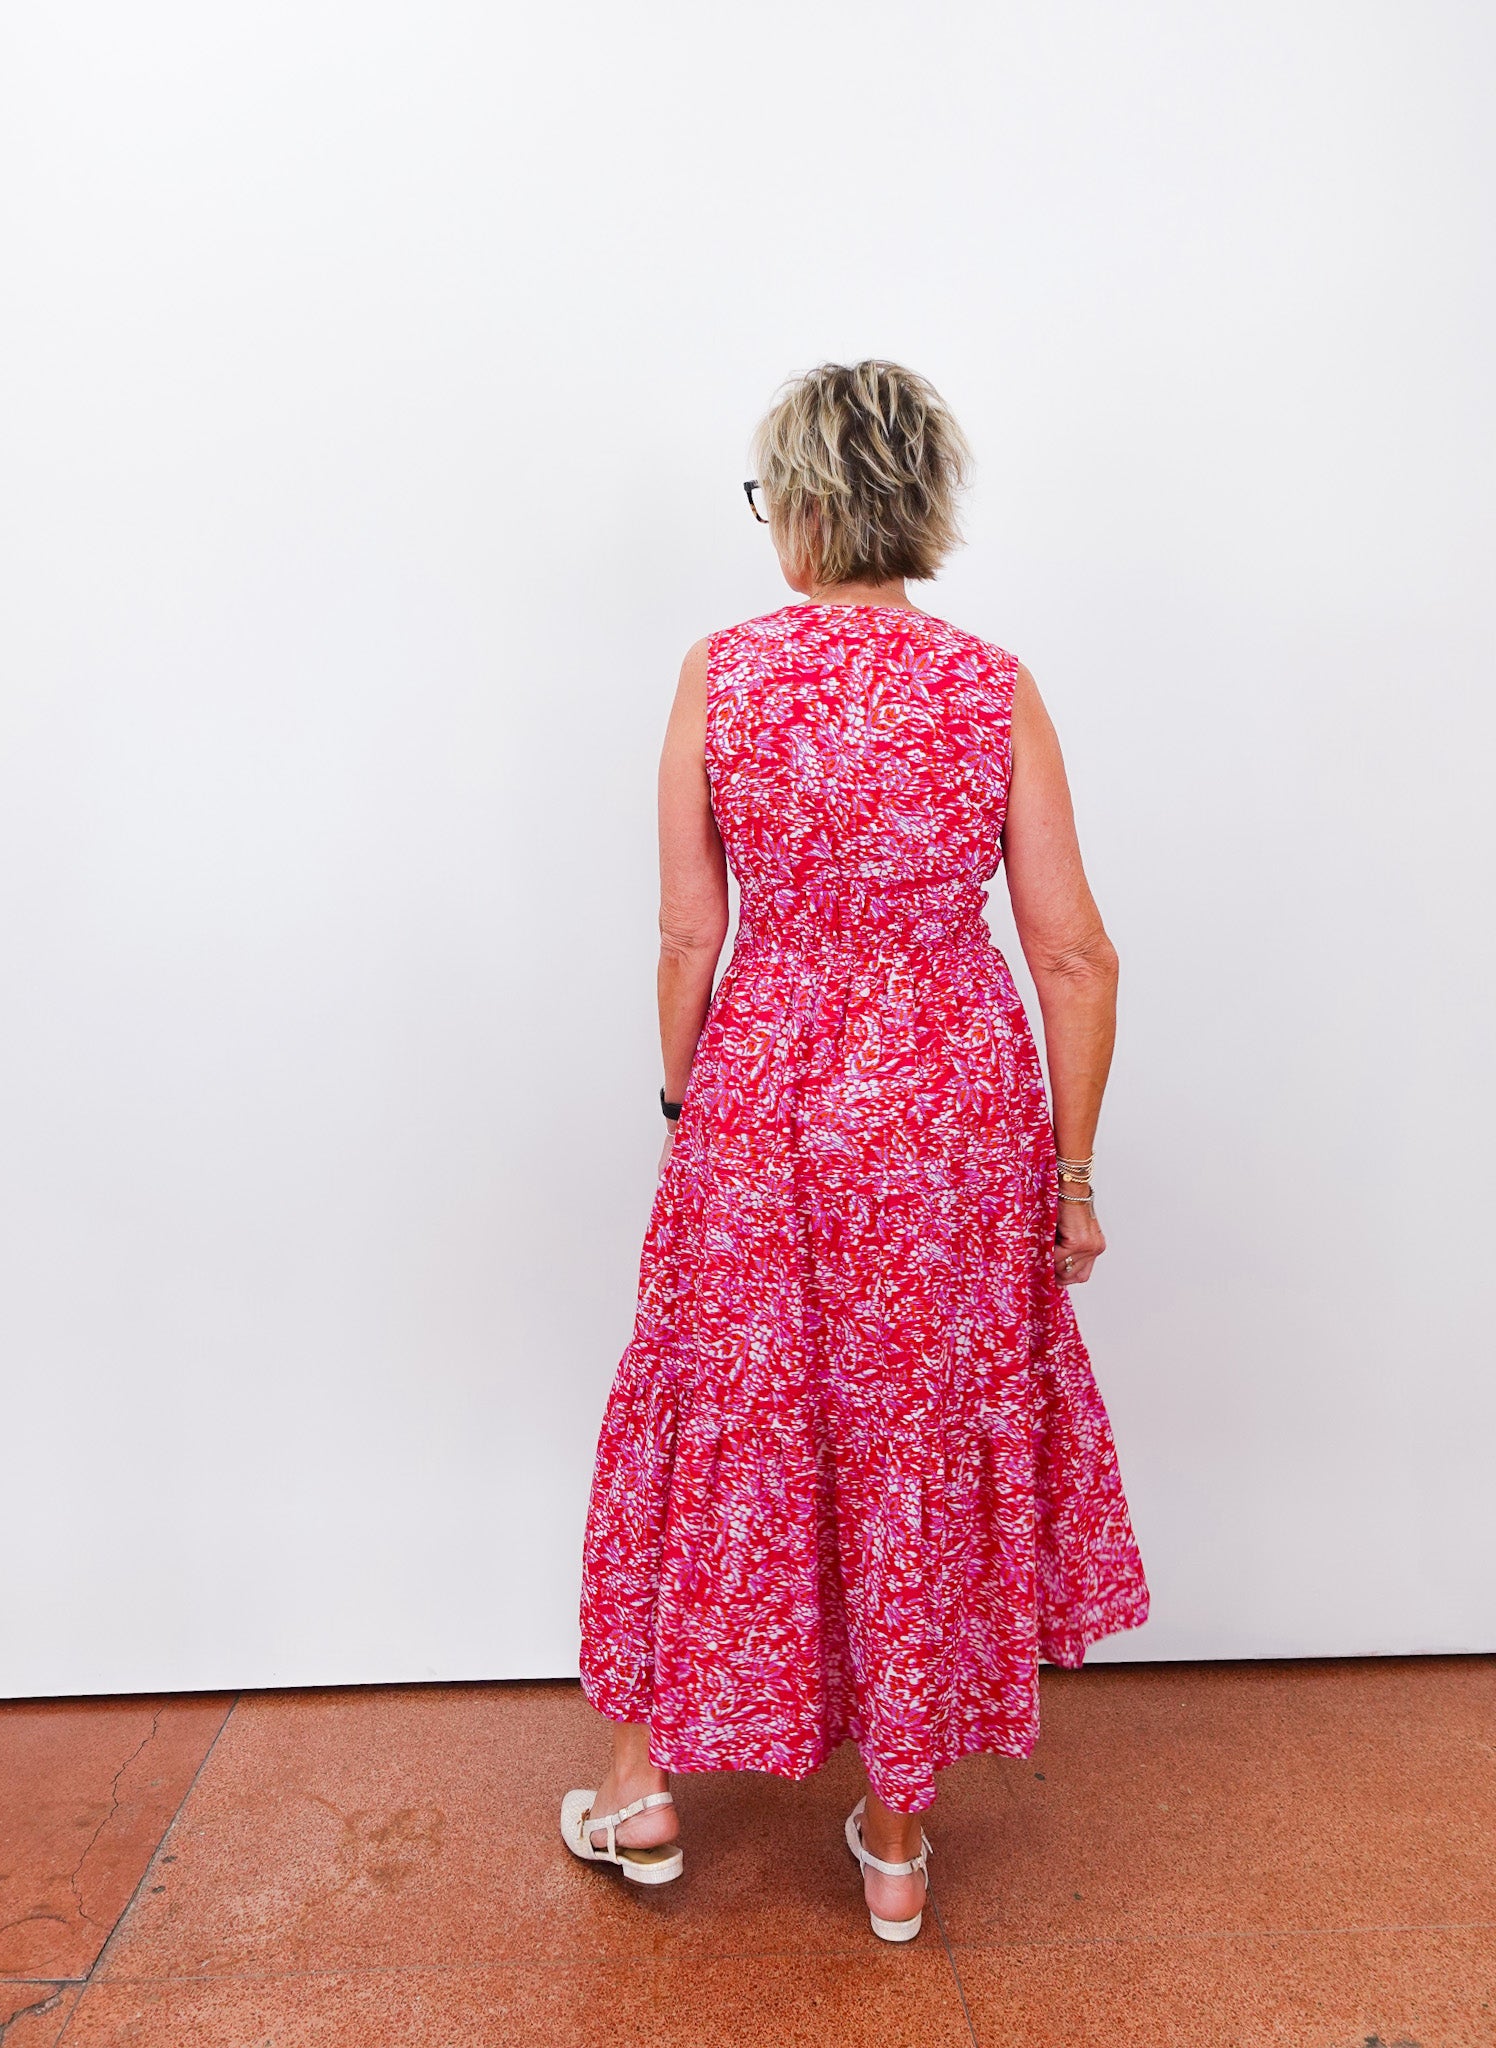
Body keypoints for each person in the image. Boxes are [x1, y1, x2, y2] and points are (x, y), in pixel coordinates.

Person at [560, 359, 1149, 1940]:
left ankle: (644, 1791)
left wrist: (696, 1111)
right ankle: (894, 1843)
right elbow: (1075, 956)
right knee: (912, 1437)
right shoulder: (990, 685)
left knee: (716, 1406)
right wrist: (1073, 1179)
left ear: (806, 507)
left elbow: (692, 933)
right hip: (953, 1117)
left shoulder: (725, 675)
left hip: (768, 1099)